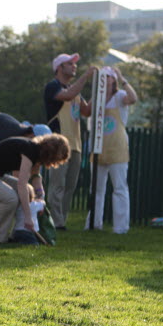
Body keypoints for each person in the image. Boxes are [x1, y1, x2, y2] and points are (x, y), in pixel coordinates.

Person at [0, 133, 72, 244]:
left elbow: (36, 177)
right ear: (52, 153)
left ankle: (19, 232)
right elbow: (22, 184)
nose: (54, 163)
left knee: (29, 191)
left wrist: (41, 197)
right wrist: (28, 217)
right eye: (56, 159)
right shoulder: (30, 149)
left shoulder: (36, 153)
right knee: (11, 198)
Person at [44, 53, 95, 229]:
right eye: (70, 64)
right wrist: (86, 76)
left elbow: (86, 111)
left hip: (75, 144)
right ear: (59, 68)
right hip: (58, 144)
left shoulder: (74, 90)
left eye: (75, 64)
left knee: (69, 187)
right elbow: (67, 95)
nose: (74, 66)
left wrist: (101, 90)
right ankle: (55, 222)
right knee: (57, 185)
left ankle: (61, 220)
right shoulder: (53, 86)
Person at [86, 66, 138, 233]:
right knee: (96, 189)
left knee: (119, 188)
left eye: (108, 76)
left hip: (117, 148)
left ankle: (121, 227)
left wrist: (123, 79)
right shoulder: (97, 98)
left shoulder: (120, 96)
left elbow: (133, 98)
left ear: (113, 79)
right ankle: (93, 224)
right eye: (103, 76)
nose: (105, 79)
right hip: (98, 148)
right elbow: (87, 112)